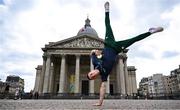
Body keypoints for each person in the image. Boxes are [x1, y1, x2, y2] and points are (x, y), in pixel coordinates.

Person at [87, 1, 163, 106]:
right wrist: (100, 102)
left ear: (91, 71)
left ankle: (106, 10)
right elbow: (103, 88)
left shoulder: (95, 62)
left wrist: (94, 51)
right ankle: (150, 32)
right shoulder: (104, 75)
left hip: (109, 44)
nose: (93, 75)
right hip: (117, 49)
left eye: (91, 74)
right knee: (133, 40)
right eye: (92, 77)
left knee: (107, 25)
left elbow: (92, 53)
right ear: (95, 78)